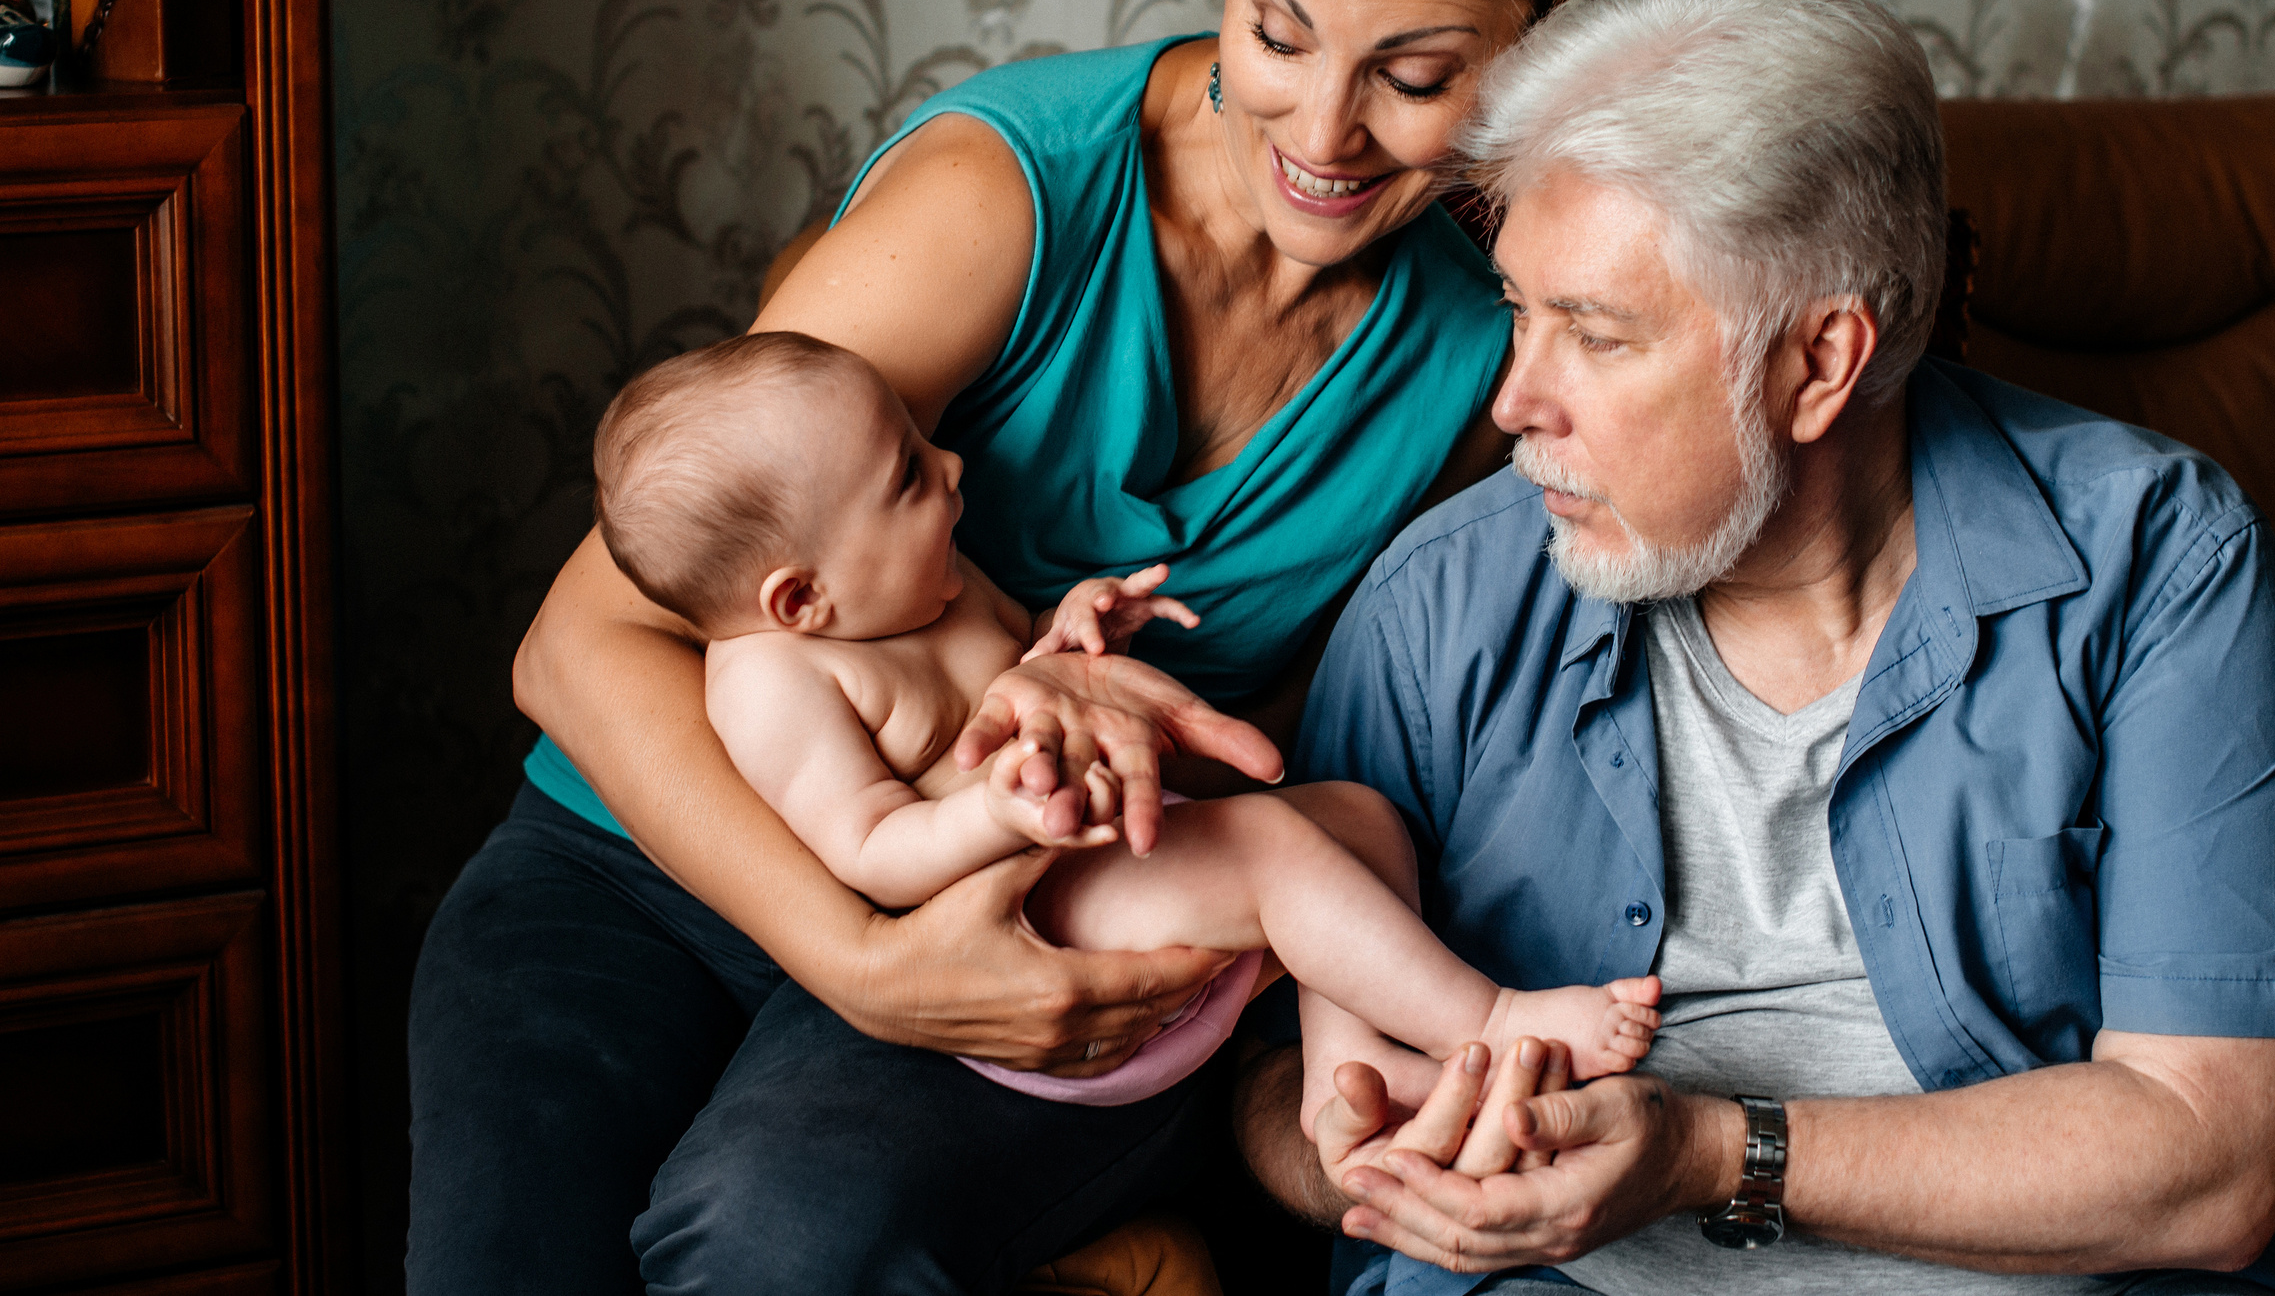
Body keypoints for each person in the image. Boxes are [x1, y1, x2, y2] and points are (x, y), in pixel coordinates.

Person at [410, 0, 1653, 1294]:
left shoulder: (1494, 338)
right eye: (1278, 31)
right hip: (644, 854)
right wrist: (865, 960)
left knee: (780, 1239)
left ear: (1538, 49)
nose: (1325, 130)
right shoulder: (1009, 197)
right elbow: (579, 642)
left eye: (1414, 75)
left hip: (1066, 902)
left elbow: (1312, 721)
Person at [1235, 0, 2275, 1296]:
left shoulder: (2163, 563)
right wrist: (1358, 1153)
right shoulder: (1441, 604)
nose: (1514, 402)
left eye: (1597, 336)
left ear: (1821, 360)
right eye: (1518, 313)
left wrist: (1712, 1153)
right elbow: (1266, 1075)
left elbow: (2214, 1158)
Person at [589, 328, 1661, 1108]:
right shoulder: (772, 683)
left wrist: (1075, 631)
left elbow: (1030, 673)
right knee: (1273, 847)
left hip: (1120, 859)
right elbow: (870, 848)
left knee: (1360, 817)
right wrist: (999, 813)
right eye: (908, 474)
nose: (950, 463)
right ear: (799, 599)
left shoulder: (923, 581)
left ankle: (1353, 1061)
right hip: (1031, 929)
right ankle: (1489, 1021)